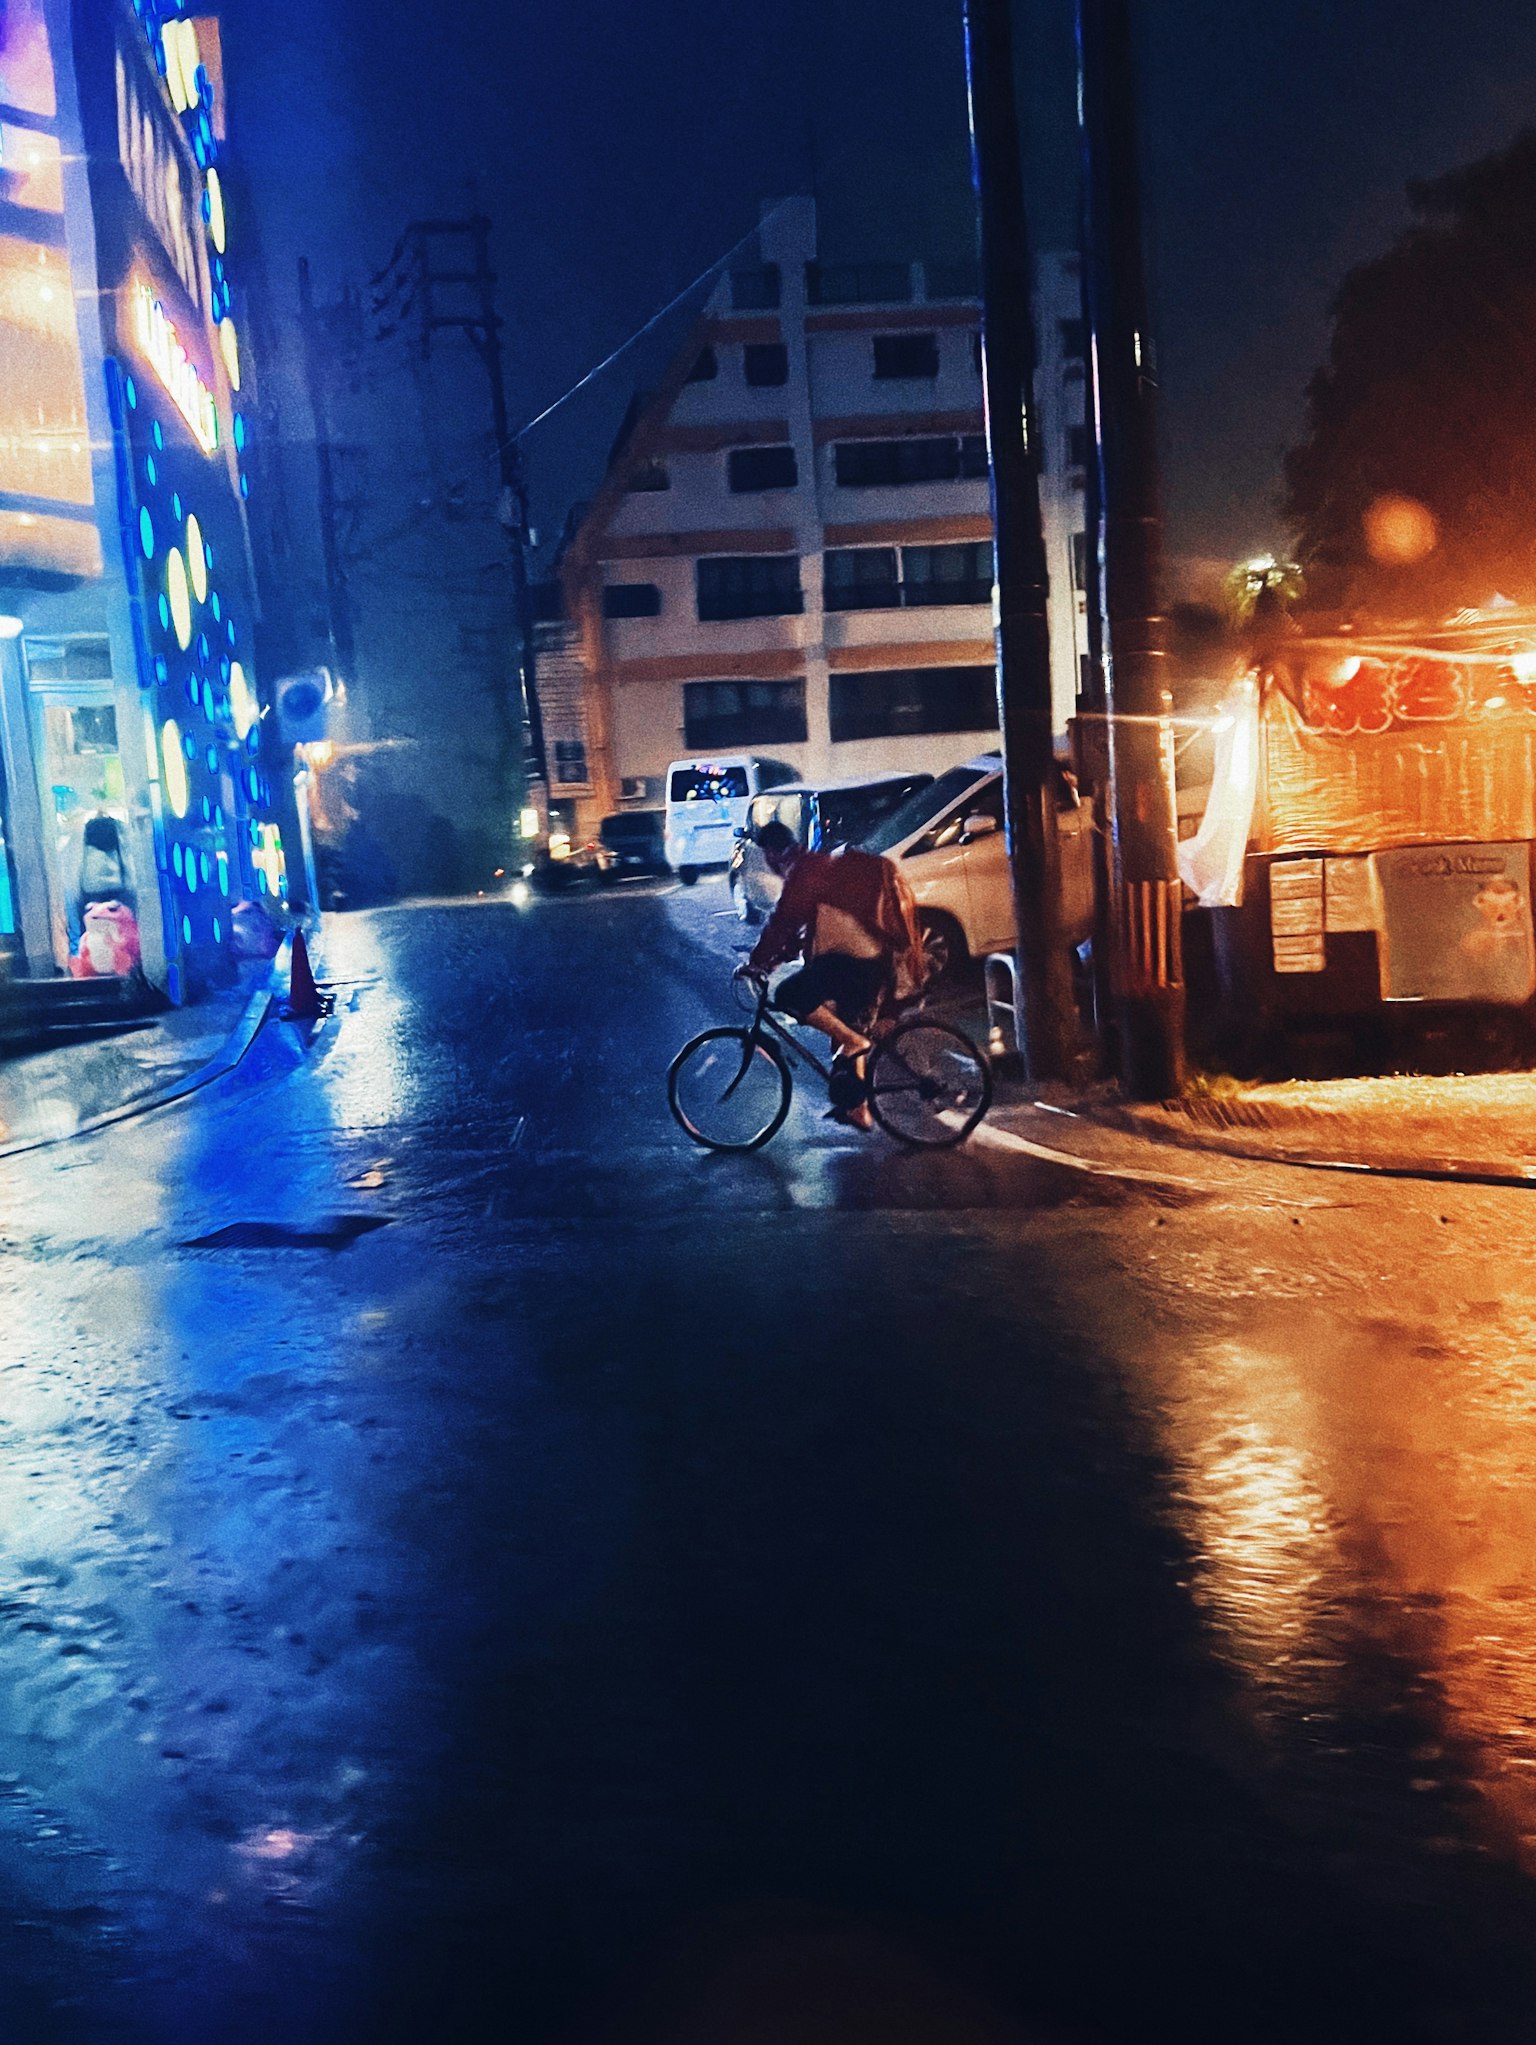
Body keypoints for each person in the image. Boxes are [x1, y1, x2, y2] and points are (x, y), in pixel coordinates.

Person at [738, 819, 923, 1127]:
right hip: (865, 961)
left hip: (853, 963)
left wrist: (756, 961)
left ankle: (856, 1047)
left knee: (789, 995)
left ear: (771, 853)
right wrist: (772, 962)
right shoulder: (815, 865)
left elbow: (782, 922)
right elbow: (801, 931)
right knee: (848, 1029)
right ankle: (857, 1109)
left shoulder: (803, 870)